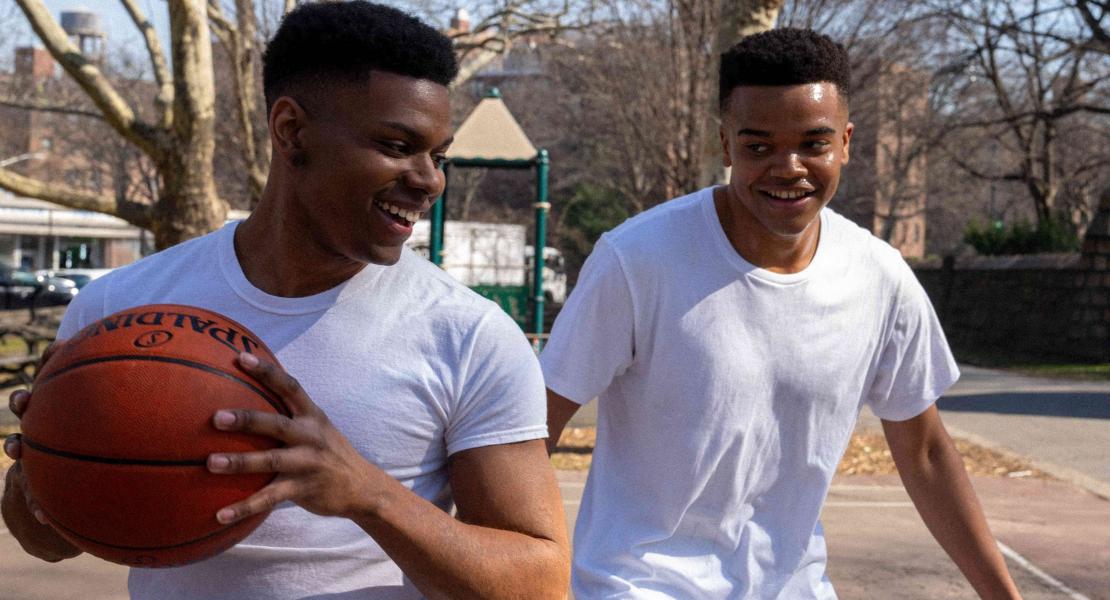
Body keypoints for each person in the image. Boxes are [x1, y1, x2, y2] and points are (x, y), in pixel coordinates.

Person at [2, 3, 569, 598]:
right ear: (291, 130)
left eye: (438, 155)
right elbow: (47, 542)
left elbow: (540, 585)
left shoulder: (468, 335)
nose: (429, 179)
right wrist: (42, 473)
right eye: (396, 145)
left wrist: (368, 495)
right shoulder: (119, 310)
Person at [542, 28, 1021, 599]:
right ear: (726, 146)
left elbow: (926, 456)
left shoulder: (881, 277)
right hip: (642, 585)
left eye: (813, 144)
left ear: (845, 142)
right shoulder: (636, 260)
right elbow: (534, 429)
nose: (788, 167)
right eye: (759, 147)